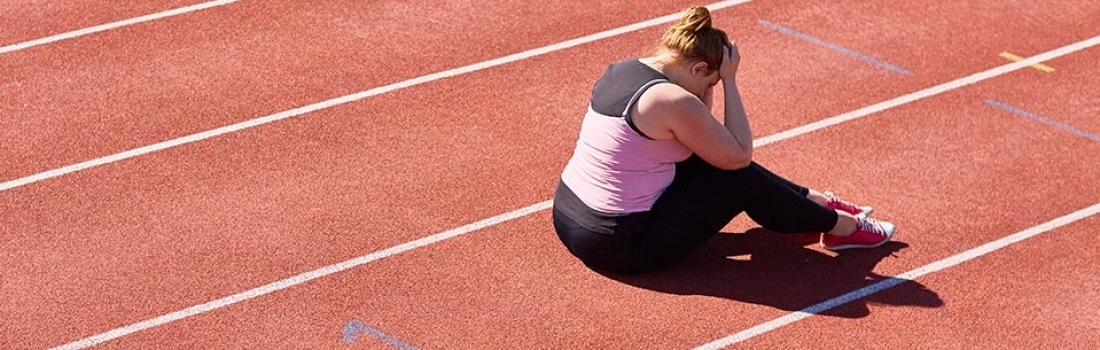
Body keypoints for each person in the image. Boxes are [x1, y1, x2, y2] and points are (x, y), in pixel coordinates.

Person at [552, 6, 896, 273]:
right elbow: (739, 156)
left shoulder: (623, 69)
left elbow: (707, 137)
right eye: (710, 83)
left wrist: (713, 83)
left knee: (706, 157)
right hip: (617, 244)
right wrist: (731, 82)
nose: (709, 91)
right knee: (737, 179)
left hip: (568, 218)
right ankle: (841, 226)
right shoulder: (670, 100)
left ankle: (815, 201)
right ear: (698, 69)